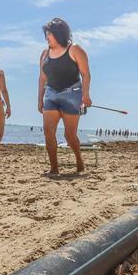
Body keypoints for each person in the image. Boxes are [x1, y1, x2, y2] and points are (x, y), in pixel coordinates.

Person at [38, 18, 91, 175]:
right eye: (46, 34)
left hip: (72, 94)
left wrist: (86, 95)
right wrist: (39, 99)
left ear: (58, 34)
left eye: (49, 34)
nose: (46, 37)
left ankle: (79, 162)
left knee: (69, 135)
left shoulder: (74, 49)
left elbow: (86, 74)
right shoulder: (44, 54)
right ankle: (54, 168)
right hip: (51, 94)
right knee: (48, 132)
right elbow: (42, 78)